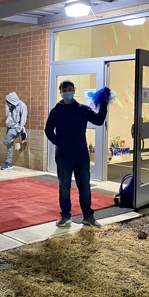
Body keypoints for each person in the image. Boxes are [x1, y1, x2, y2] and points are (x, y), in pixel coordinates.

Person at [45, 80, 108, 228]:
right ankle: (65, 216)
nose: (67, 92)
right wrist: (58, 142)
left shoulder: (82, 109)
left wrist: (104, 104)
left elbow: (98, 121)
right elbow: (48, 130)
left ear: (74, 90)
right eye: (64, 90)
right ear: (60, 91)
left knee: (84, 186)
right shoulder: (56, 111)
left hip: (81, 154)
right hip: (63, 155)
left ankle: (88, 216)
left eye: (69, 89)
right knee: (64, 186)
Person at [0, 92, 28, 170]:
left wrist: (19, 128)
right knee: (9, 145)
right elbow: (7, 115)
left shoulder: (22, 106)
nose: (7, 103)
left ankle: (22, 133)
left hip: (15, 128)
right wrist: (7, 106)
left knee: (6, 141)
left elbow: (23, 118)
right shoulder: (11, 106)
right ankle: (8, 163)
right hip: (9, 126)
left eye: (8, 101)